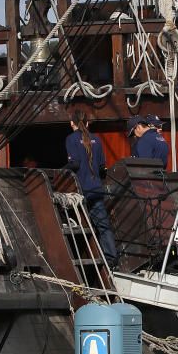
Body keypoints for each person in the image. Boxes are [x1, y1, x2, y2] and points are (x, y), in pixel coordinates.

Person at [65, 110, 118, 266]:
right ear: (88, 123)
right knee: (103, 225)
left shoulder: (71, 139)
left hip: (80, 190)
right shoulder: (96, 139)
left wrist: (61, 170)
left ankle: (83, 257)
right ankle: (111, 258)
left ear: (71, 123)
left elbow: (74, 164)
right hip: (96, 188)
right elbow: (102, 167)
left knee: (78, 226)